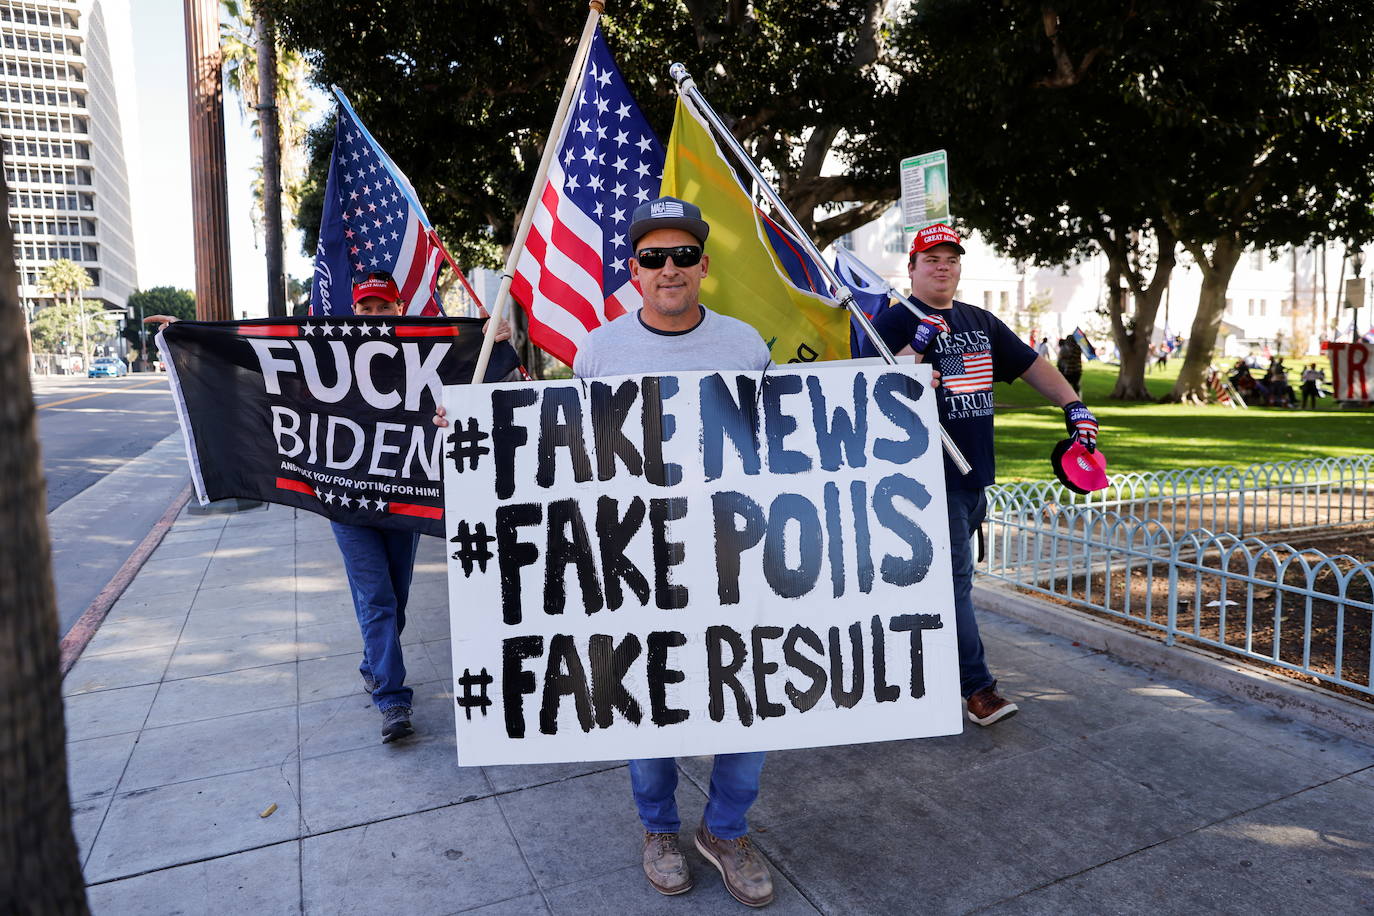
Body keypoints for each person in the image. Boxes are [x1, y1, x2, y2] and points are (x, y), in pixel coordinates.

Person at [437, 197, 776, 907]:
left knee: (749, 695)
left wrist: (901, 388)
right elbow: (562, 450)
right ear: (633, 270)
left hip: (732, 556)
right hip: (635, 561)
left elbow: (784, 443)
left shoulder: (747, 345)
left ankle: (726, 829)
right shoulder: (599, 351)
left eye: (683, 255)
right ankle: (658, 828)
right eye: (653, 257)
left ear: (704, 267)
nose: (669, 269)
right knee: (646, 695)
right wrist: (474, 424)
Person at [858, 223, 1099, 729]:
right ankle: (976, 688)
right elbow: (871, 390)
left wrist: (1074, 406)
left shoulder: (979, 320)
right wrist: (916, 352)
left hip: (974, 478)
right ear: (913, 268)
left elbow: (1034, 365)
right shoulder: (892, 321)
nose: (942, 266)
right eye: (931, 259)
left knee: (935, 581)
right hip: (923, 478)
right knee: (955, 582)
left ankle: (906, 666)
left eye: (950, 258)